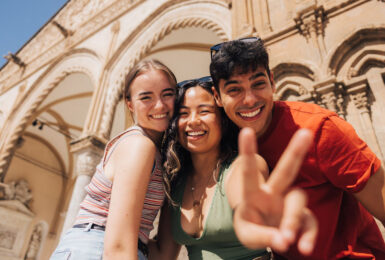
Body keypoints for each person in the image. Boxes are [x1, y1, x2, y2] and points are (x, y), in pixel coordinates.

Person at [209, 37, 385, 259]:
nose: (250, 100)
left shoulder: (319, 129)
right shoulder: (226, 141)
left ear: (272, 82)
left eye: (258, 84)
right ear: (217, 97)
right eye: (234, 90)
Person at [148, 77, 317, 259]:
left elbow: (245, 200)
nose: (193, 121)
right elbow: (162, 255)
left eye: (204, 111)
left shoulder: (243, 165)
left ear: (222, 119)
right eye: (183, 113)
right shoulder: (176, 181)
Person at [50, 59, 177, 260]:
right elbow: (117, 247)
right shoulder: (138, 145)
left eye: (167, 94)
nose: (159, 105)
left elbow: (161, 252)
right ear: (130, 104)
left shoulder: (157, 153)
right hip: (96, 249)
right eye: (146, 97)